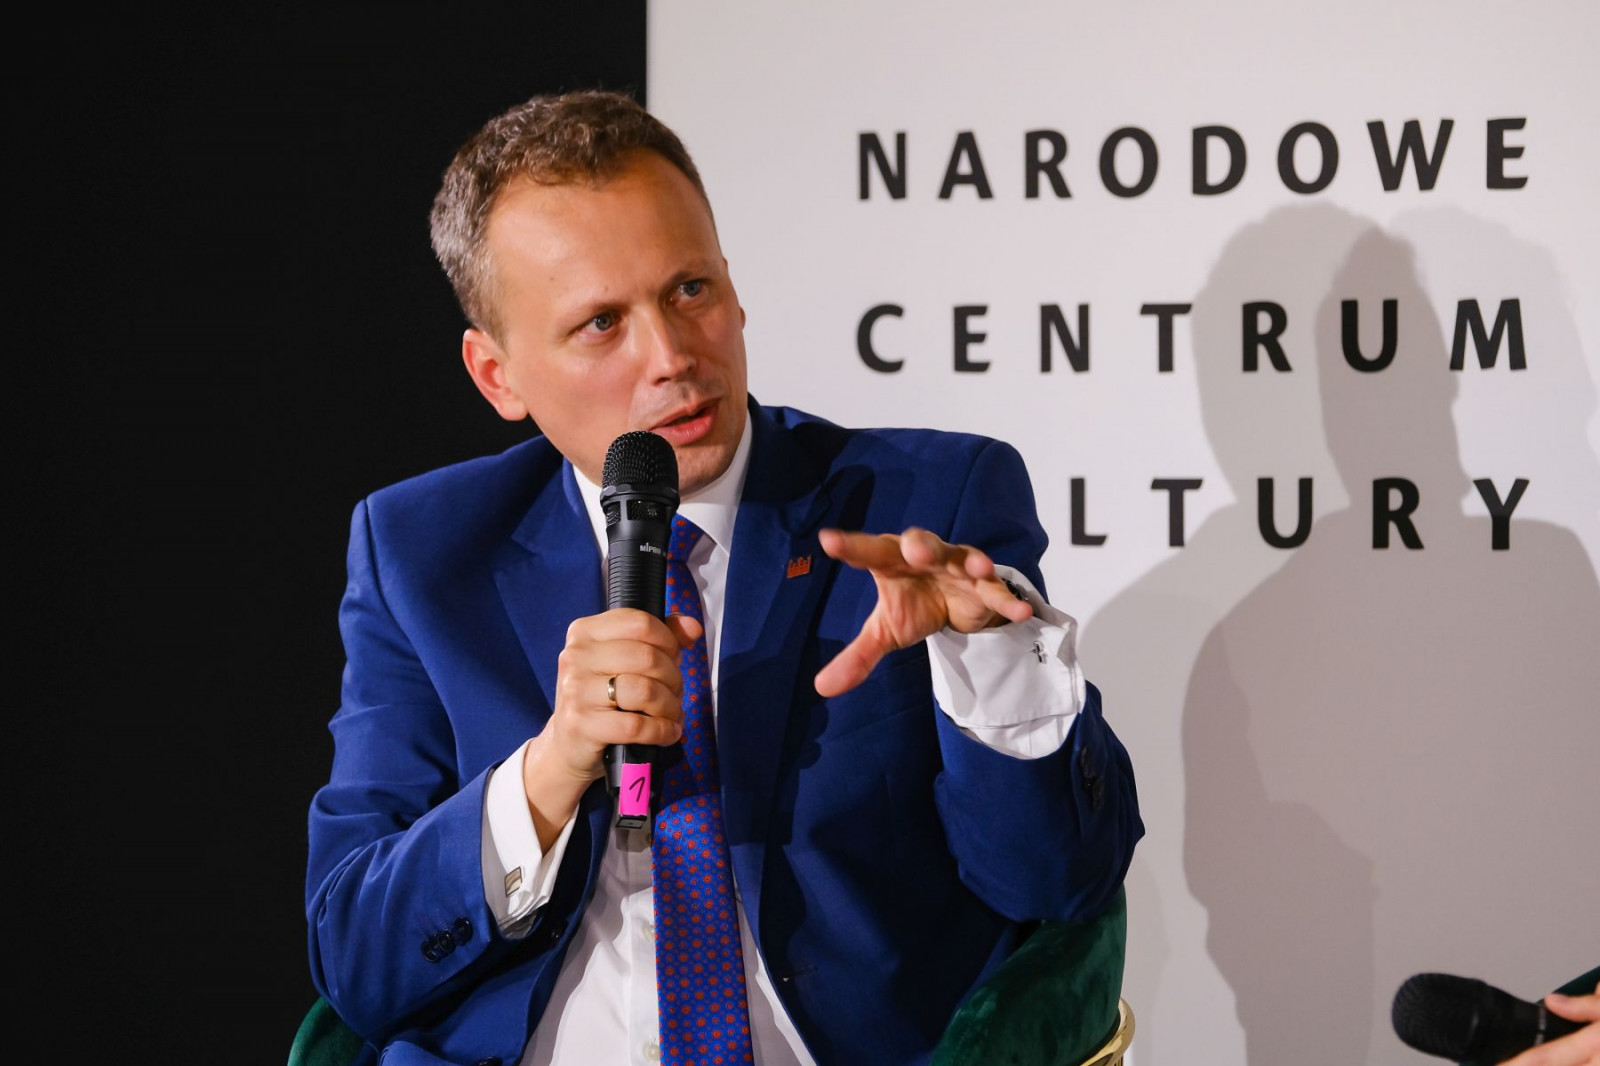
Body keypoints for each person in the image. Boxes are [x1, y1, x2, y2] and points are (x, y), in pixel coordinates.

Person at [305, 89, 1142, 1066]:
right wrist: (550, 769)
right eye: (601, 323)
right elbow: (357, 958)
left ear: (735, 293)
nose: (671, 357)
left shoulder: (924, 506)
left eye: (689, 290)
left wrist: (990, 651)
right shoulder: (422, 553)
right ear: (498, 375)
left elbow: (1057, 885)